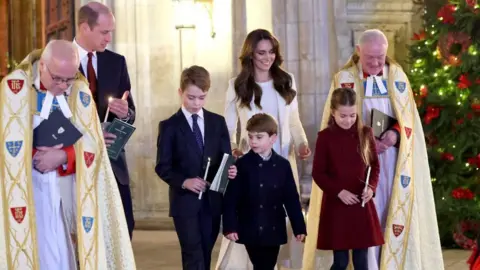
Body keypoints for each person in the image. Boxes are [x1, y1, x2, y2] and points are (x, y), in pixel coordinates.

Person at [303, 29, 444, 269]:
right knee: (365, 215)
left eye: (381, 57)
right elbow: (333, 122)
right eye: (371, 58)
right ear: (358, 52)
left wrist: (395, 133)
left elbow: (408, 119)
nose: (377, 63)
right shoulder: (344, 79)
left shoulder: (397, 77)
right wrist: (366, 143)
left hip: (392, 161)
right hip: (356, 164)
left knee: (389, 208)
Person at [0, 40, 135, 269]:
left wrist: (64, 156)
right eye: (57, 78)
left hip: (68, 192)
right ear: (42, 65)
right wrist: (34, 155)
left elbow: (93, 144)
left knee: (65, 256)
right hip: (29, 192)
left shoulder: (80, 90)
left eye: (69, 78)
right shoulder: (13, 89)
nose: (64, 86)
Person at [217, 28, 311, 270]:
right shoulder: (236, 85)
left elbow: (294, 120)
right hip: (250, 163)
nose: (267, 57)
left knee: (284, 216)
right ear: (250, 55)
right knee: (252, 215)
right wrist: (234, 150)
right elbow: (226, 128)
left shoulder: (286, 80)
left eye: (271, 52)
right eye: (261, 53)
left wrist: (302, 143)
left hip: (282, 161)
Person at [155, 65, 237, 270]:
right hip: (185, 203)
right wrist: (184, 181)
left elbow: (225, 159)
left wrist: (230, 171)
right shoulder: (169, 126)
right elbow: (162, 166)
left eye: (202, 97)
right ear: (180, 92)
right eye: (191, 97)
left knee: (206, 253)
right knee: (193, 255)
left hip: (212, 202)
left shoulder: (217, 123)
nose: (196, 103)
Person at [73, 1, 136, 239]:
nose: (109, 38)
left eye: (111, 32)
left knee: (123, 229)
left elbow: (131, 110)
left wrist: (124, 112)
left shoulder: (116, 62)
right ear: (84, 27)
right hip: (75, 164)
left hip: (112, 163)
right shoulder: (59, 60)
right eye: (104, 32)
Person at [222, 113, 307, 270]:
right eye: (250, 136)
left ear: (273, 138)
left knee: (268, 264)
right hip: (250, 225)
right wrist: (229, 226)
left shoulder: (283, 165)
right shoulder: (241, 164)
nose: (253, 141)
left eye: (259, 137)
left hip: (274, 226)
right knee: (262, 265)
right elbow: (231, 199)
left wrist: (299, 227)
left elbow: (291, 198)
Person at [311, 88, 384, 270]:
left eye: (352, 115)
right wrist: (338, 192)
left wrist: (371, 188)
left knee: (361, 261)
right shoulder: (325, 138)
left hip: (361, 205)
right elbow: (318, 173)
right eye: (343, 115)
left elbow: (374, 166)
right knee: (341, 262)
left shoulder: (366, 133)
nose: (348, 120)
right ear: (333, 112)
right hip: (337, 208)